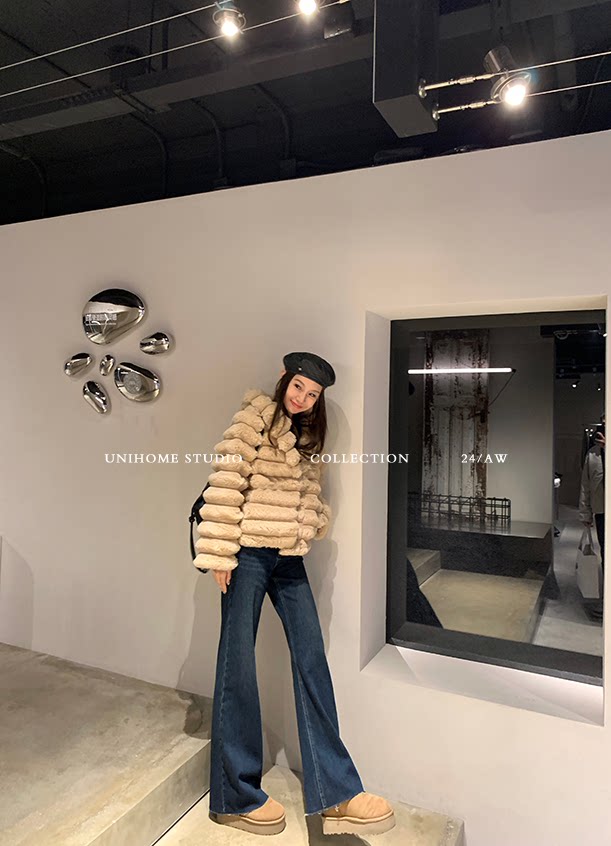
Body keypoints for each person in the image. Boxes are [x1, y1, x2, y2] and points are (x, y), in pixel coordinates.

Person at [193, 352, 395, 837]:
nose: (302, 398)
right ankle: (235, 796)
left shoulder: (307, 437)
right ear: (285, 378)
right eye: (299, 386)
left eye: (312, 394)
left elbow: (308, 492)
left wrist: (313, 520)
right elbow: (226, 480)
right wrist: (219, 551)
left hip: (287, 557)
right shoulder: (253, 419)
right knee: (237, 664)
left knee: (311, 659)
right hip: (246, 554)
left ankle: (336, 794)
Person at [579, 413, 605, 570]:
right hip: (601, 510)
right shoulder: (592, 454)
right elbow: (586, 485)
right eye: (603, 424)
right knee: (604, 548)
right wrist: (585, 513)